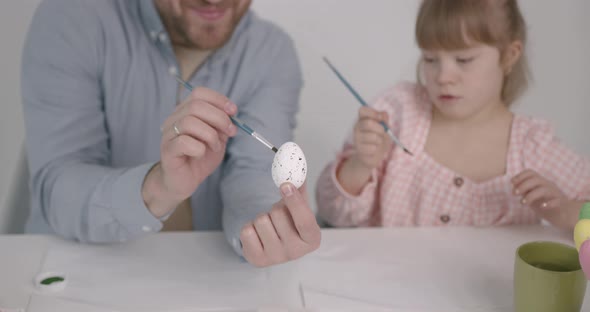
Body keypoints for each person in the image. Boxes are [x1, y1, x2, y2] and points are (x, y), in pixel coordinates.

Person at [22, 0, 320, 267]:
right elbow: (57, 188)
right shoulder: (72, 18)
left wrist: (265, 227)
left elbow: (253, 173)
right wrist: (158, 187)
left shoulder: (271, 51)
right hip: (79, 270)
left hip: (204, 278)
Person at [316, 0, 590, 230]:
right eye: (431, 60)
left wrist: (565, 212)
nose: (443, 77)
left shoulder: (533, 148)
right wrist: (360, 165)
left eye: (463, 60)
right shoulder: (398, 113)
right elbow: (332, 214)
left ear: (508, 56)